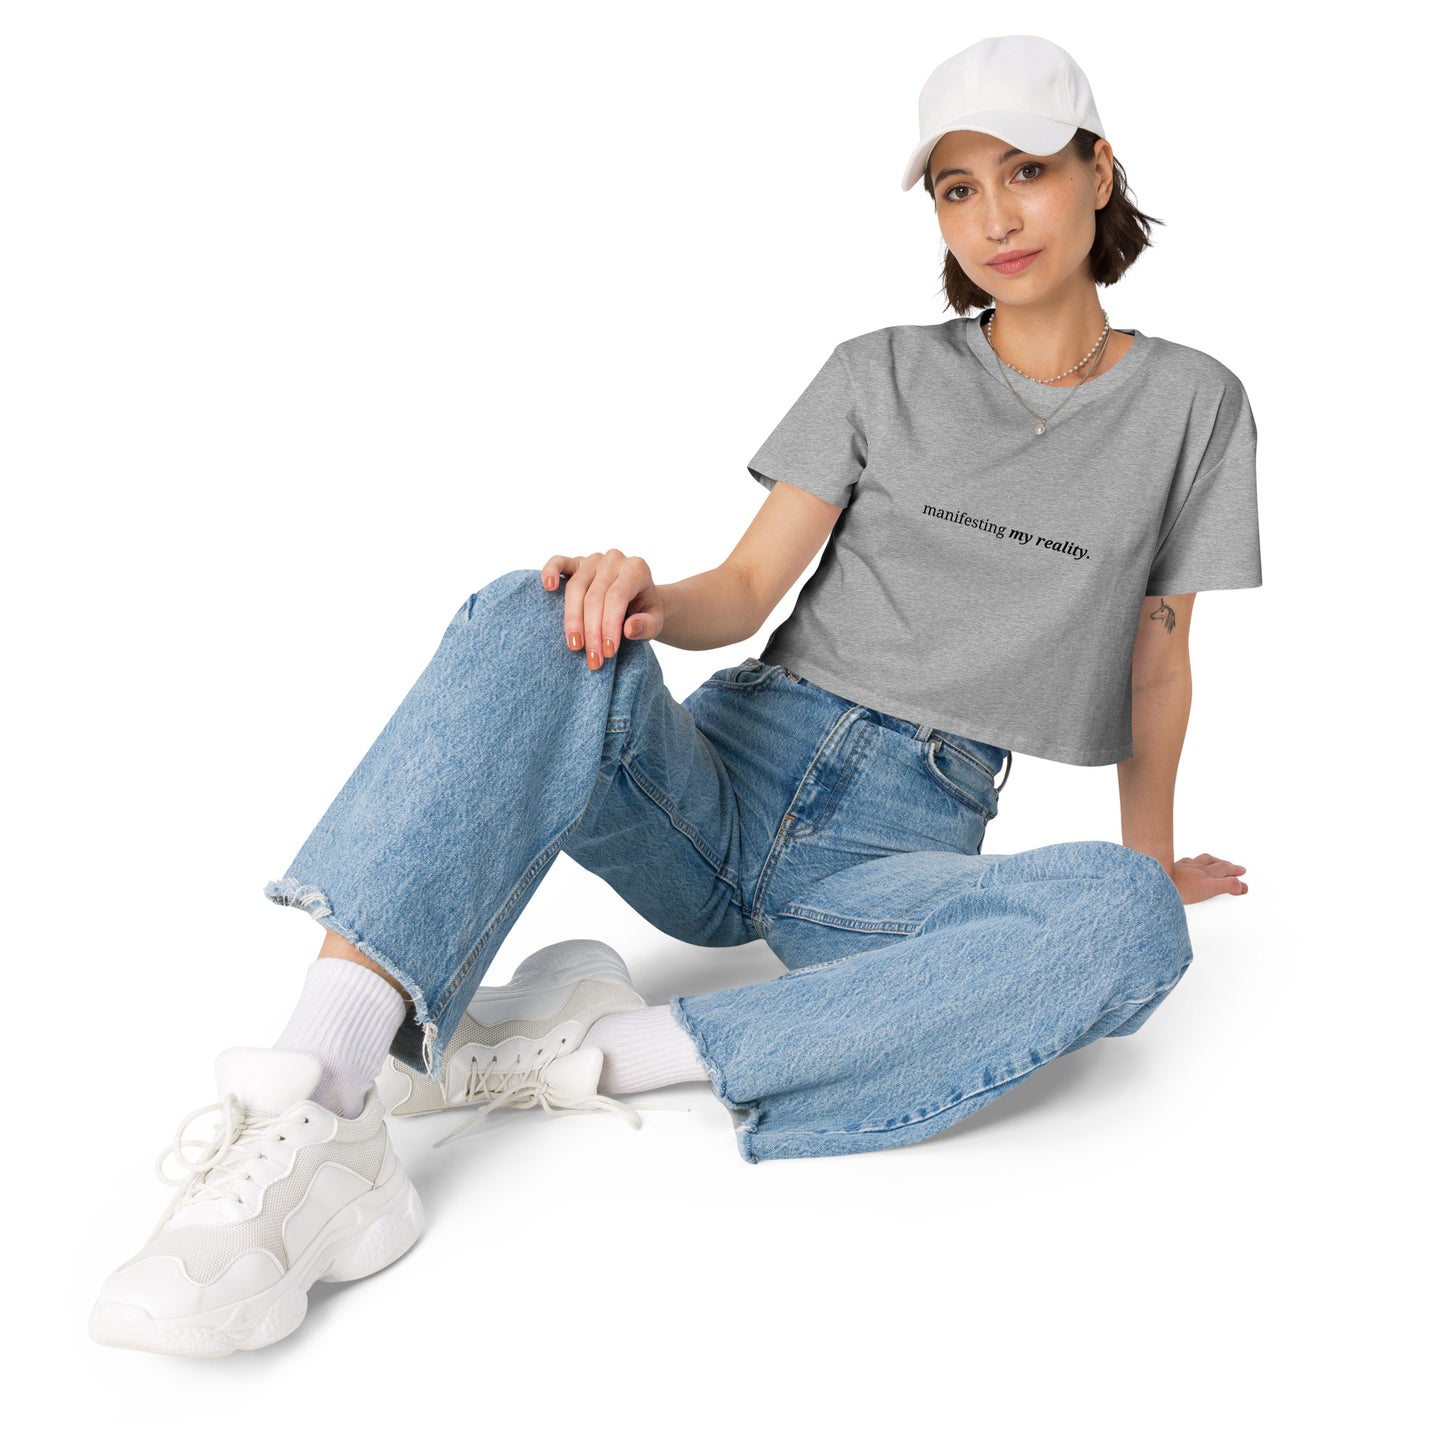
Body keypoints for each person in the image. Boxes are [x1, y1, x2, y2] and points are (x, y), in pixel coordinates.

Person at [90, 33, 1262, 1357]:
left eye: (1027, 171)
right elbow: (746, 586)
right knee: (534, 608)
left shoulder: (1193, 408)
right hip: (717, 778)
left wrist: (1150, 863)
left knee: (1124, 922)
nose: (992, 216)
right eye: (952, 186)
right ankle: (317, 1104)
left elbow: (1157, 651)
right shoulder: (877, 371)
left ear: (1098, 172)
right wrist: (638, 598)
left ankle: (593, 1051)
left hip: (889, 853)